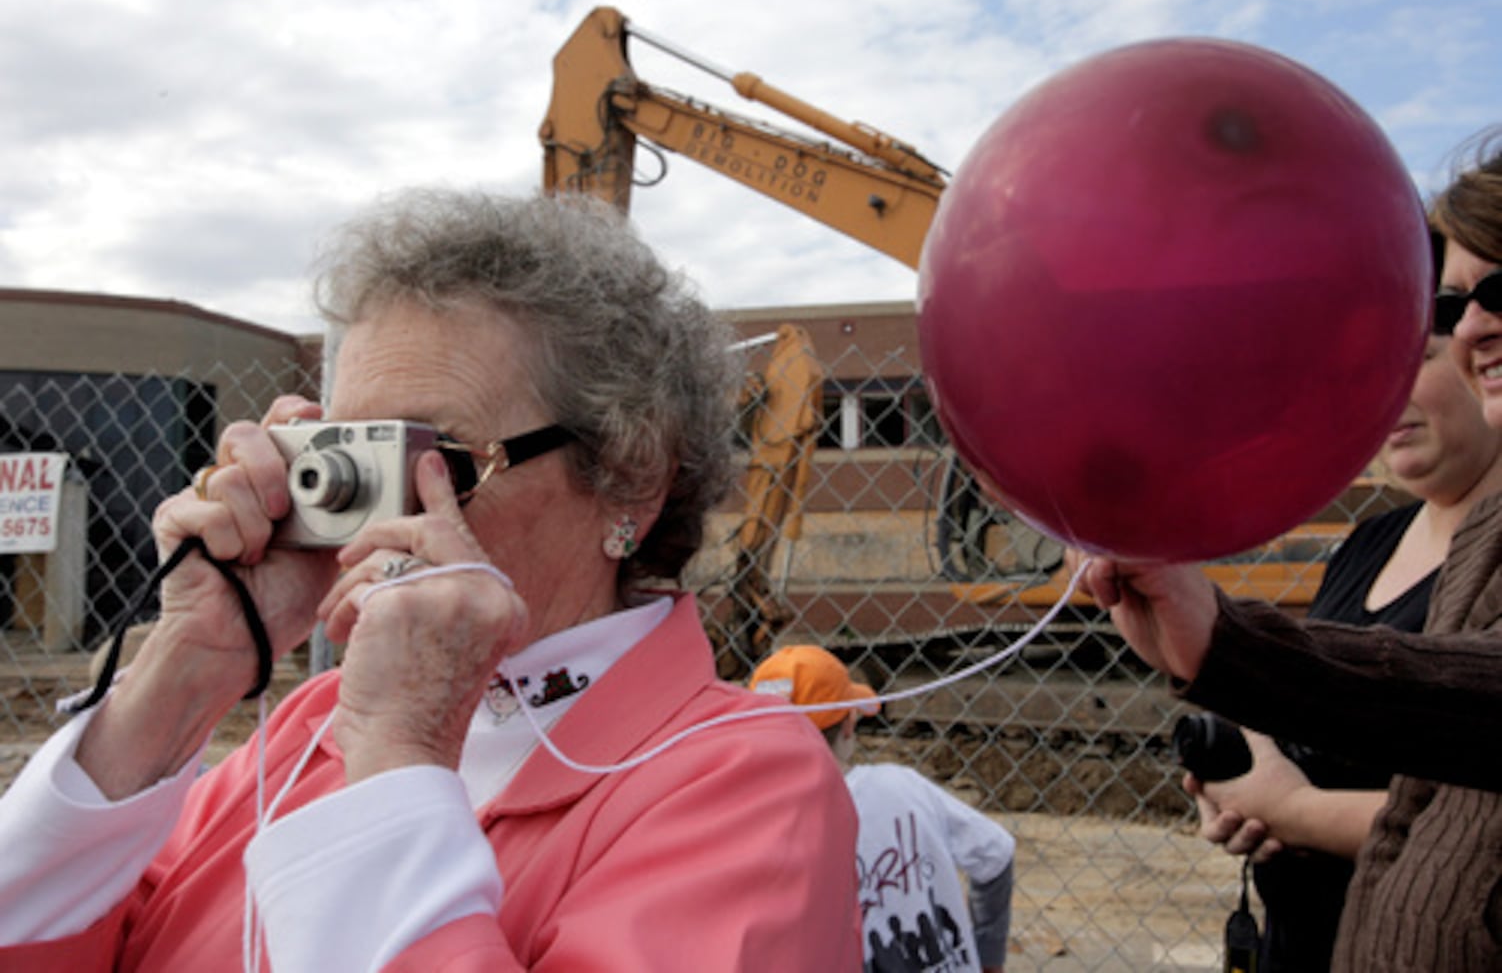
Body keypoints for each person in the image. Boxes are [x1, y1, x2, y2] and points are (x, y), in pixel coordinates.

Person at [0, 189, 862, 970]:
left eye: (439, 458)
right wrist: (187, 671)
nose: (372, 515)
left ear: (631, 472)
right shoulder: (308, 729)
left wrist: (400, 752)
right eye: (345, 455)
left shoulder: (742, 778)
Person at [1078, 131, 1502, 971]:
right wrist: (1246, 745)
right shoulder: (1375, 544)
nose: (1477, 328)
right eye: (1456, 306)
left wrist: (1294, 805)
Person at [1187, 229, 1502, 972]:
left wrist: (1297, 813)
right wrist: (1240, 783)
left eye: (1412, 361)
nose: (1381, 394)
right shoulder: (1370, 542)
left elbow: (1468, 816)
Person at [750, 645, 1015, 973]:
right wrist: (989, 959)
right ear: (848, 724)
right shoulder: (901, 787)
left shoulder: (759, 825)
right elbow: (997, 853)